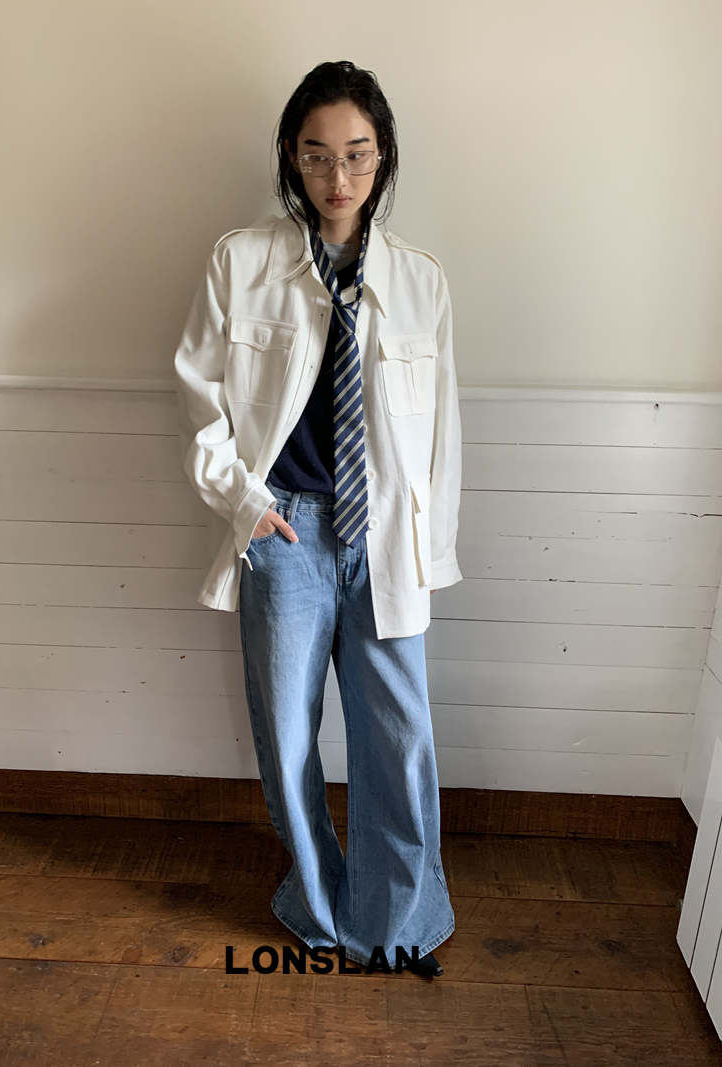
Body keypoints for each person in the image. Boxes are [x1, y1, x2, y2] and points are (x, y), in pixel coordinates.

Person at [174, 60, 463, 977]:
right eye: (317, 155)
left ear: (383, 158)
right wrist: (246, 505)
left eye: (358, 155)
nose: (338, 178)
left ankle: (398, 920)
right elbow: (199, 398)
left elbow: (443, 433)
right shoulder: (241, 263)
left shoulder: (420, 281)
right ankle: (320, 911)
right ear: (291, 159)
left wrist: (429, 553)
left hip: (384, 535)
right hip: (286, 531)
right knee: (288, 734)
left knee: (398, 738)